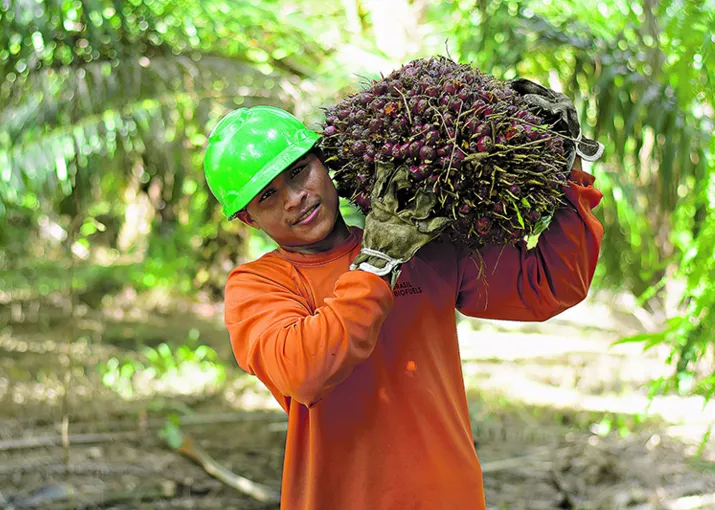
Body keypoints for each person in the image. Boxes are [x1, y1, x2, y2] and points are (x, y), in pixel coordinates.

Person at [203, 105, 604, 510]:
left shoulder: (422, 245)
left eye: (298, 172)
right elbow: (305, 370)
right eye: (268, 195)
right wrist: (377, 264)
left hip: (450, 497)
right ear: (249, 219)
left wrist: (568, 166)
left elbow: (550, 285)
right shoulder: (258, 286)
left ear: (324, 163)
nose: (295, 198)